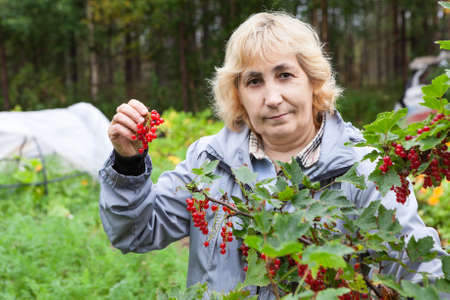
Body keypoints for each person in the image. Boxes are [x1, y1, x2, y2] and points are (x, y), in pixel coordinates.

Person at [99, 12, 447, 299]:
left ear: (313, 80)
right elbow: (136, 233)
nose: (272, 97)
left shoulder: (365, 167)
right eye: (254, 81)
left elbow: (421, 275)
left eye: (284, 75)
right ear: (237, 94)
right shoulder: (208, 161)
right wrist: (128, 164)